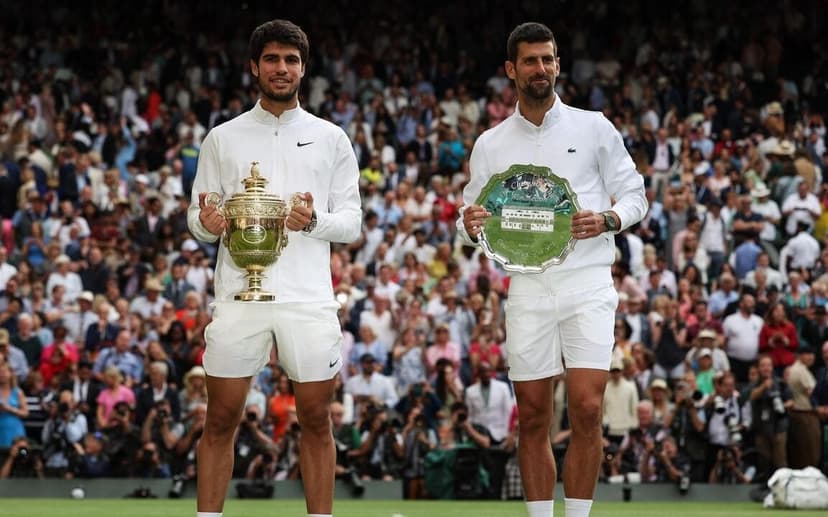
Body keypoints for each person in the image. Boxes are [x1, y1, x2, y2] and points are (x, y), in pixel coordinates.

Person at [458, 22, 647, 517]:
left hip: (587, 283)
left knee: (586, 409)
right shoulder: (490, 144)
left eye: (548, 59)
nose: (540, 68)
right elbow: (469, 220)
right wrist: (470, 224)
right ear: (511, 70)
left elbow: (636, 195)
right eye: (530, 60)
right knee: (535, 415)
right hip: (527, 289)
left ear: (558, 64)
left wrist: (608, 217)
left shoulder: (594, 126)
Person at [187, 19, 361, 517]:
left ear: (303, 69)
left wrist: (314, 221)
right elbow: (197, 217)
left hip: (308, 298)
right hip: (240, 294)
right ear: (254, 67)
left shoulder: (331, 138)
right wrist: (207, 221)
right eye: (271, 59)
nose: (281, 68)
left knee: (315, 419)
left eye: (290, 60)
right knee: (220, 418)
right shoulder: (223, 137)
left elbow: (352, 222)